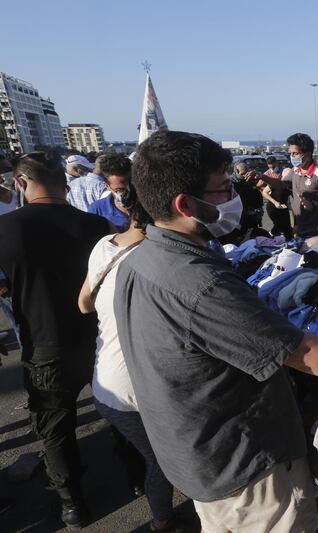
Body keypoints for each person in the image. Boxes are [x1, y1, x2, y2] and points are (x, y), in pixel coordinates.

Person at [115, 130, 318, 533]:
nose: (232, 195)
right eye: (222, 188)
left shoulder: (137, 260)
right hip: (246, 468)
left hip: (194, 455)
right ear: (185, 204)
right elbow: (302, 352)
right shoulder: (199, 283)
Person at [0, 152, 110, 528]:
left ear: (20, 183)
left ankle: (72, 503)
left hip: (45, 342)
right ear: (64, 183)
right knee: (123, 409)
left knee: (54, 425)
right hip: (101, 339)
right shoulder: (96, 225)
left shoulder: (7, 228)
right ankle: (137, 475)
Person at [78, 184, 182, 532]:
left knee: (141, 451)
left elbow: (83, 303)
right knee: (160, 459)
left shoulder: (103, 247)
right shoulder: (161, 259)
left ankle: (149, 498)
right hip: (138, 388)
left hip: (105, 381)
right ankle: (162, 521)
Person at [286, 133, 318, 238]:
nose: (292, 157)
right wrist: (262, 177)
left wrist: (313, 205)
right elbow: (280, 184)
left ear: (308, 154)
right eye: (290, 153)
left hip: (317, 233)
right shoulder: (295, 170)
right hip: (300, 231)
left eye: (295, 153)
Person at [87, 153, 132, 232]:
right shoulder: (97, 210)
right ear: (106, 185)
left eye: (132, 187)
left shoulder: (146, 205)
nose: (128, 193)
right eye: (120, 190)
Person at [260, 156, 292, 239]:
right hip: (274, 205)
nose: (272, 169)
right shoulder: (270, 176)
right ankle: (270, 235)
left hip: (284, 205)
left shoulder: (285, 173)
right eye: (270, 167)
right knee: (279, 225)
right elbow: (261, 187)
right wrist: (274, 201)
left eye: (274, 167)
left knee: (287, 228)